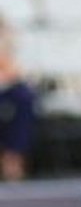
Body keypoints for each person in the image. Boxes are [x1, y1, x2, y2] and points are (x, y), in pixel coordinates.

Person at [0, 16, 37, 182]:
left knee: (25, 99)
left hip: (8, 87)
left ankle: (13, 157)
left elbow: (14, 70)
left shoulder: (7, 35)